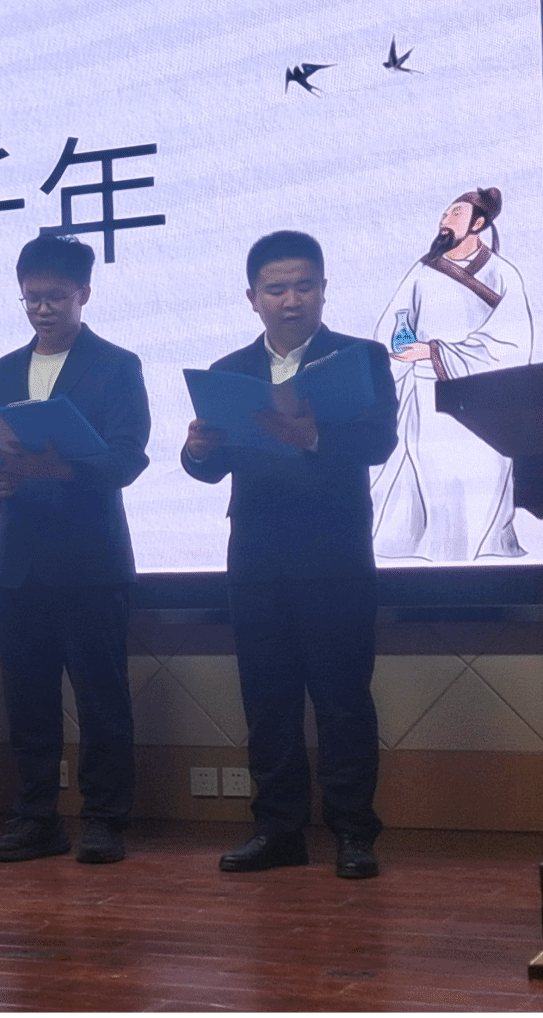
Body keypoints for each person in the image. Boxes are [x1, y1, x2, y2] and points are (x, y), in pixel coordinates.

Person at [181, 231, 397, 880]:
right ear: (253, 298)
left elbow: (380, 441)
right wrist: (195, 450)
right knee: (268, 702)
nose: (292, 299)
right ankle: (277, 830)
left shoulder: (360, 358)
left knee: (342, 700)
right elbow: (210, 466)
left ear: (324, 290)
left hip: (335, 556)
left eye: (304, 286)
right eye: (276, 289)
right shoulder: (229, 372)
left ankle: (353, 833)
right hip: (257, 558)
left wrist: (315, 436)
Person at [0, 235, 150, 866]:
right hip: (19, 561)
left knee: (102, 699)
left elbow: (128, 456)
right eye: (32, 298)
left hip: (91, 558)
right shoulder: (2, 370)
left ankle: (104, 819)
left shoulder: (117, 365)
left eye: (55, 297)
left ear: (84, 294)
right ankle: (35, 818)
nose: (42, 309)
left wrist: (63, 469)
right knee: (28, 701)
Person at [370, 188, 535, 561]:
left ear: (478, 223)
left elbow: (511, 344)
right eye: (445, 214)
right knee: (431, 486)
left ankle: (478, 561)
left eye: (456, 214)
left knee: (478, 488)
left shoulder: (502, 274)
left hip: (481, 406)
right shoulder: (423, 270)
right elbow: (393, 325)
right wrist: (403, 349)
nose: (445, 220)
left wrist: (434, 352)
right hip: (425, 400)